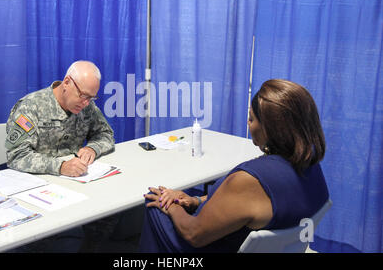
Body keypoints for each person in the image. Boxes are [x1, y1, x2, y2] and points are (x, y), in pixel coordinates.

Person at [140, 79, 330, 253]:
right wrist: (196, 201)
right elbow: (249, 204)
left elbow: (193, 234)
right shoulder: (310, 165)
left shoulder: (250, 180)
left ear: (272, 128)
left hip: (210, 245)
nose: (248, 124)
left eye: (252, 118)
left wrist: (171, 206)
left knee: (154, 203)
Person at [5, 60, 115, 176]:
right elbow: (16, 155)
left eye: (91, 98)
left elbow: (106, 134)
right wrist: (60, 166)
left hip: (74, 178)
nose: (86, 103)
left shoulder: (87, 107)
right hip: (37, 180)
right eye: (83, 95)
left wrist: (92, 149)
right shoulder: (30, 106)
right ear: (67, 82)